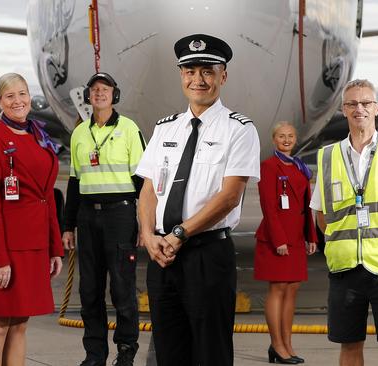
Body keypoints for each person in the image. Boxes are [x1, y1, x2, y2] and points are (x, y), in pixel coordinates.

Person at [135, 34, 261, 366]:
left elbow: (230, 196)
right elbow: (149, 190)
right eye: (190, 71)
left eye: (207, 71)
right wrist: (149, 237)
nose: (198, 80)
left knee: (211, 353)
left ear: (223, 76)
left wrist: (180, 234)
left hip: (207, 255)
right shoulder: (165, 129)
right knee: (169, 351)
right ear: (181, 76)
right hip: (162, 257)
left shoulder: (239, 129)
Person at [310, 79, 378, 366]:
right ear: (343, 110)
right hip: (345, 268)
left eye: (365, 103)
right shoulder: (327, 157)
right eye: (352, 104)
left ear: (376, 108)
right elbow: (321, 215)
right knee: (349, 346)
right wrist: (343, 242)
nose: (359, 108)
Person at [0, 72, 64, 365]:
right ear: (0, 101)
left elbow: (47, 197)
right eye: (10, 96)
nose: (18, 101)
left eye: (22, 94)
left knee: (20, 325)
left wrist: (54, 248)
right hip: (3, 246)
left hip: (32, 245)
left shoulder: (39, 135)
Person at [62, 72, 145, 366]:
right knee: (90, 291)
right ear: (88, 96)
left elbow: (142, 182)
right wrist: (68, 226)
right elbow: (74, 181)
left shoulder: (129, 129)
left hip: (120, 214)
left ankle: (125, 351)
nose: (99, 93)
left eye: (105, 89)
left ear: (115, 95)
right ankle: (94, 355)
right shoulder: (79, 134)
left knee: (122, 289)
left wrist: (144, 224)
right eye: (95, 89)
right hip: (87, 216)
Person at [254, 121, 318, 364]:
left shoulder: (299, 167)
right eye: (282, 136)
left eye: (291, 136)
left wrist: (311, 236)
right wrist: (279, 239)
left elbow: (305, 206)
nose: (287, 140)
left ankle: (287, 345)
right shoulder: (268, 167)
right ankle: (277, 345)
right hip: (276, 238)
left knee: (292, 289)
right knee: (278, 289)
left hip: (297, 238)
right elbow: (269, 208)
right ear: (274, 139)